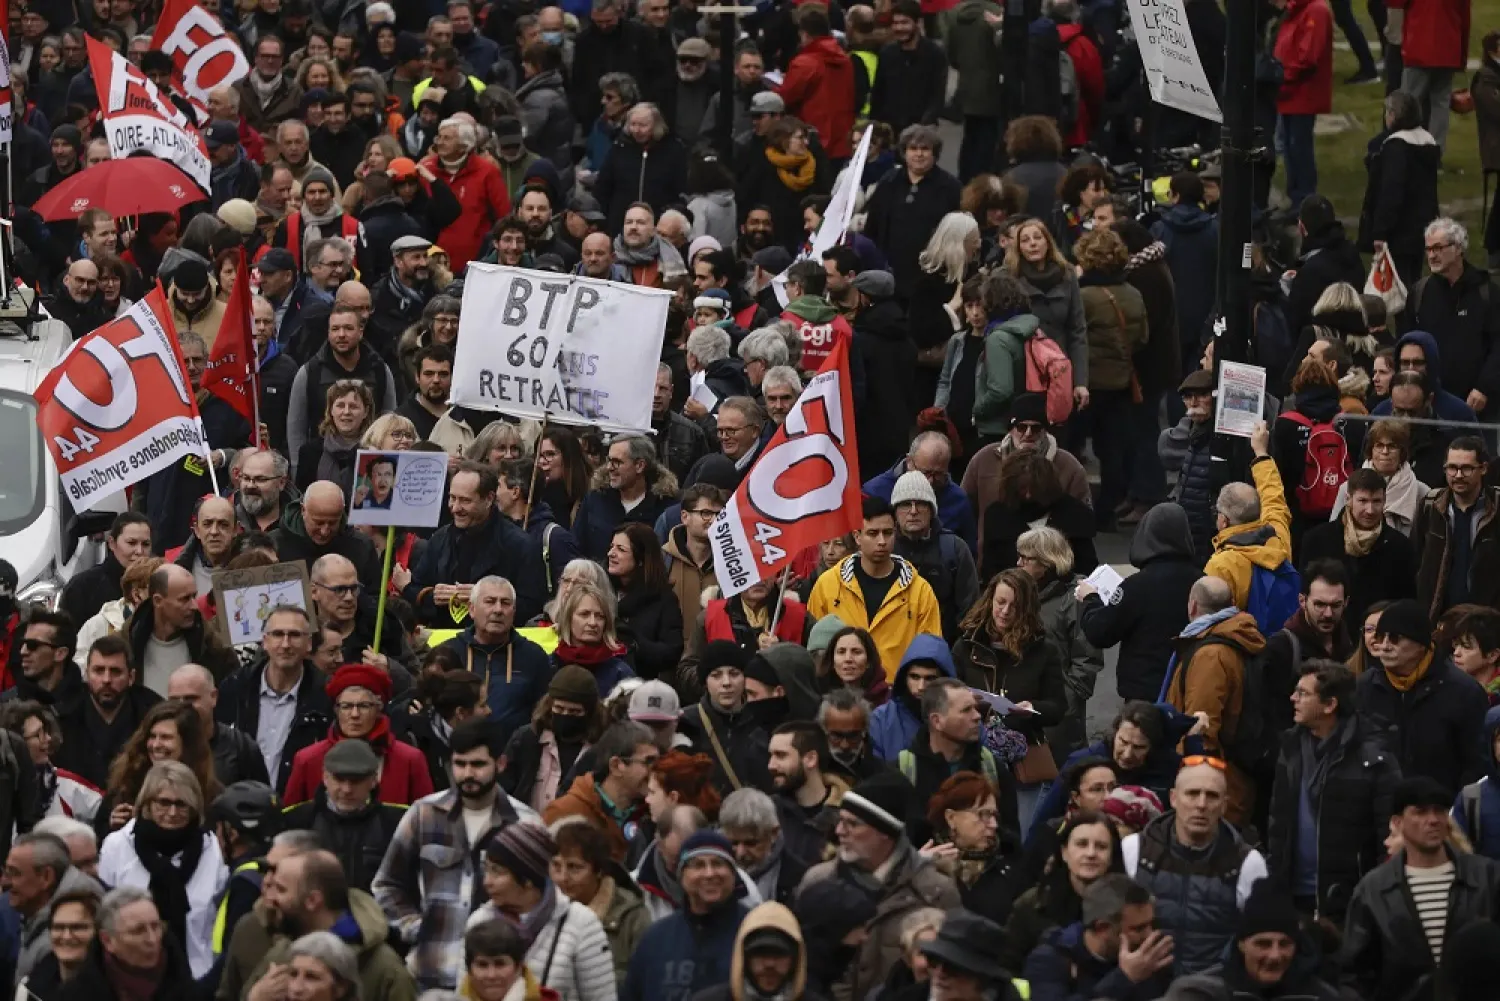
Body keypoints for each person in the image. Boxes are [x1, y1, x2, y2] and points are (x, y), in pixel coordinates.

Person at [374, 720, 540, 991]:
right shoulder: (423, 814)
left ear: (500, 764)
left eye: (477, 765)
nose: (467, 774)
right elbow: (387, 884)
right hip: (427, 978)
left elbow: (542, 901)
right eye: (460, 764)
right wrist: (414, 927)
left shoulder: (525, 825)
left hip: (495, 986)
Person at [799, 772, 960, 1001]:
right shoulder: (817, 883)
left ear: (885, 833)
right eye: (840, 821)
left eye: (852, 824)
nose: (839, 831)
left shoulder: (935, 893)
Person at [1340, 776, 1500, 1001]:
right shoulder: (1373, 891)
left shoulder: (1487, 878)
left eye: (1439, 811)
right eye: (1421, 812)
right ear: (1398, 822)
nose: (1432, 820)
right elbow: (1355, 975)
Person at [1267, 659, 1399, 923]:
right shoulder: (1290, 747)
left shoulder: (1373, 756)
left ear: (1330, 705)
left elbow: (1388, 830)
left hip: (1350, 900)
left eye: (1303, 693)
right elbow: (1277, 822)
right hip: (1294, 897)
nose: (1293, 698)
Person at [1121, 760, 1268, 976]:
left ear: (1224, 805)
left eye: (1212, 796)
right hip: (1145, 983)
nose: (1201, 804)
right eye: (1192, 793)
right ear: (1173, 798)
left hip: (1214, 989)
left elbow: (1259, 939)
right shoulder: (1135, 850)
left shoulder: (1248, 863)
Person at [950, 570, 1066, 825]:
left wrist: (1033, 708)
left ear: (1026, 610)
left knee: (1023, 836)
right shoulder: (966, 645)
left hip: (1023, 756)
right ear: (990, 600)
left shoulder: (1043, 650)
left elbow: (1058, 707)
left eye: (1014, 606)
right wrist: (967, 702)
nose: (1005, 611)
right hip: (974, 753)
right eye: (1000, 602)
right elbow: (948, 697)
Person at [96, 761, 225, 979]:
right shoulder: (117, 846)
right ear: (146, 803)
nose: (172, 812)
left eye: (181, 804)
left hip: (196, 980)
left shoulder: (212, 849)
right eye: (163, 803)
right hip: (129, 979)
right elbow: (104, 916)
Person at [468, 822, 617, 1001]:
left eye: (498, 872)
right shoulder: (479, 921)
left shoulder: (580, 923)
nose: (487, 882)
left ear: (528, 879)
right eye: (487, 870)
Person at [807, 498, 942, 681]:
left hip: (895, 696)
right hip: (840, 695)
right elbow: (814, 649)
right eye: (872, 533)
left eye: (888, 533)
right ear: (857, 537)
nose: (881, 541)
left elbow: (930, 654)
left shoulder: (920, 591)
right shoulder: (828, 585)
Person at [1358, 599, 1489, 786]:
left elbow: (1477, 764)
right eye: (1380, 637)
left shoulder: (1463, 691)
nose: (1385, 646)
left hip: (1440, 809)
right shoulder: (1366, 686)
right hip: (1382, 808)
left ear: (1420, 644)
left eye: (1395, 638)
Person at [406, 464, 546, 627]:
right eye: (452, 498)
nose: (456, 508)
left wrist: (487, 599)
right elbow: (414, 591)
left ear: (488, 499)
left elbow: (533, 606)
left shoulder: (520, 545)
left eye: (465, 500)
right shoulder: (440, 539)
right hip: (444, 645)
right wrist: (432, 596)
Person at [215, 606, 334, 795]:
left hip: (299, 809)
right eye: (278, 634)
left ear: (309, 644)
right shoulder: (235, 688)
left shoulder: (327, 695)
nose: (285, 644)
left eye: (294, 635)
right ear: (265, 641)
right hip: (241, 805)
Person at [621, 830, 749, 1001]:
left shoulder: (753, 931)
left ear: (733, 874)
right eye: (698, 865)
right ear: (682, 877)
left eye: (718, 864)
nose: (710, 874)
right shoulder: (656, 939)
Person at [282, 663, 433, 806]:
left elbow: (425, 820)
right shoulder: (307, 760)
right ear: (336, 710)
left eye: (363, 706)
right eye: (346, 706)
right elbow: (291, 819)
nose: (354, 714)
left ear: (378, 708)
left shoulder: (410, 760)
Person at [1164, 882, 1343, 1001]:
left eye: (1284, 944)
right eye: (1263, 944)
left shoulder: (1321, 997)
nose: (1275, 955)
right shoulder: (1197, 994)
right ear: (1241, 944)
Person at [1001, 811, 1123, 972]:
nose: (1091, 853)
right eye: (1081, 844)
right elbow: (1006, 967)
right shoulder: (1031, 905)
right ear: (1064, 852)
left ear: (1111, 857)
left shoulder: (1128, 907)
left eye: (1101, 846)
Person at [1301, 469, 1419, 637]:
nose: (1370, 510)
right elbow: (1305, 593)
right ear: (1348, 500)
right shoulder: (1317, 539)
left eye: (1376, 501)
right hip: (1325, 635)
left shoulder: (1400, 546)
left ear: (1385, 501)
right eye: (1362, 501)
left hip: (1377, 638)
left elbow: (1406, 602)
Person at [279, 739, 406, 893]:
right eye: (339, 779)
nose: (346, 789)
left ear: (374, 780)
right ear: (325, 777)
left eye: (356, 781)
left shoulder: (397, 822)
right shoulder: (297, 819)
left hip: (376, 914)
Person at [1022, 874, 1174, 1001]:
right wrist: (1124, 979)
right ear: (1102, 928)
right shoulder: (1049, 960)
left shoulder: (1151, 959)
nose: (1149, 935)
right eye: (1138, 928)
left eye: (1151, 924)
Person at [1202, 423, 1292, 614]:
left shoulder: (1221, 564)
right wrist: (1260, 452)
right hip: (1280, 638)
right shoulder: (1277, 536)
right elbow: (1273, 496)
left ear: (1223, 521)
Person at [53, 637, 163, 793]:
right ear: (87, 674)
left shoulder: (152, 714)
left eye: (115, 672)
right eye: (98, 670)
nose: (106, 680)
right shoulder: (62, 715)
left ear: (131, 677)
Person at [549, 819, 649, 987]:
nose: (563, 877)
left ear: (599, 870)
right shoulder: (542, 911)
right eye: (556, 866)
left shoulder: (632, 917)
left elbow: (644, 982)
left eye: (574, 867)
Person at [544, 721, 656, 863]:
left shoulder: (652, 815)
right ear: (616, 766)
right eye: (648, 762)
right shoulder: (566, 811)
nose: (656, 770)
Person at [1359, 92, 1441, 287]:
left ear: (1394, 116)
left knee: (1400, 287)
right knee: (1414, 280)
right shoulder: (1427, 143)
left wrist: (1380, 231)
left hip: (1400, 229)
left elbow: (1390, 192)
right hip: (1423, 225)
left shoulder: (1396, 149)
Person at [57, 887, 195, 1001]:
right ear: (108, 941)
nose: (152, 939)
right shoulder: (77, 994)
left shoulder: (184, 986)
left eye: (156, 926)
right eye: (138, 931)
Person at [1413, 436, 1500, 617]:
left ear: (1483, 468)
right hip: (1439, 620)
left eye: (1466, 468)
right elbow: (1416, 561)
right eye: (1452, 468)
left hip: (1489, 621)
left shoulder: (1496, 508)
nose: (1458, 475)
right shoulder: (1431, 506)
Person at [979, 449, 1098, 581]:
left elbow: (1087, 567)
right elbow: (990, 567)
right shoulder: (997, 515)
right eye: (1022, 488)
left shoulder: (1074, 514)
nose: (1029, 495)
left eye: (1035, 488)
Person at [864, 435, 979, 562]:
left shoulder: (958, 500)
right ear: (909, 461)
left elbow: (970, 554)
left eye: (939, 474)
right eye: (925, 472)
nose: (930, 481)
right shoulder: (874, 492)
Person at [925, 772, 1018, 929]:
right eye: (983, 814)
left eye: (994, 815)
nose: (994, 824)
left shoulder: (1010, 861)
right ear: (951, 818)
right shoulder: (927, 864)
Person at [678, 642, 771, 795]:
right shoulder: (686, 722)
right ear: (705, 682)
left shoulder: (762, 719)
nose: (726, 683)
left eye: (734, 673)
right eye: (716, 675)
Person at [1149, 173, 1217, 383]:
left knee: (1173, 382)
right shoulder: (1215, 230)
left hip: (1171, 318)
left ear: (1174, 195)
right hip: (1206, 316)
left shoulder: (1159, 230)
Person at [573, 437, 680, 563]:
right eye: (608, 460)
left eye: (616, 462)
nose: (609, 467)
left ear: (639, 466)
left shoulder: (666, 508)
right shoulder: (595, 499)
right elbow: (576, 546)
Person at [1327, 419, 1431, 537]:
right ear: (1371, 450)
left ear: (1402, 452)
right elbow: (1334, 533)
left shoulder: (1422, 491)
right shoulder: (1348, 487)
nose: (1385, 452)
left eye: (1392, 446)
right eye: (1379, 445)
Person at [608, 525, 684, 682]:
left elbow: (671, 652)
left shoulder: (664, 600)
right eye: (611, 547)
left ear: (642, 559)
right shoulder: (600, 591)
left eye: (621, 549)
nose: (611, 554)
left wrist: (635, 643)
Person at [59, 513, 152, 629]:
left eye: (146, 544)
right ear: (112, 543)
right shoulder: (82, 586)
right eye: (131, 543)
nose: (139, 551)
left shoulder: (160, 583)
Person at [869, 637, 955, 763]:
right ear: (904, 677)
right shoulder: (881, 719)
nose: (921, 687)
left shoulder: (965, 717)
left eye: (930, 678)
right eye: (914, 677)